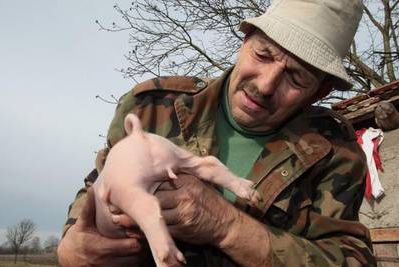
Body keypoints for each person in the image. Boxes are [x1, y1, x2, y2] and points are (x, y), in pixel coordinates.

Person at [57, 0, 376, 266]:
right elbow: (98, 182)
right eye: (262, 55)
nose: (265, 86)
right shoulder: (151, 105)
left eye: (295, 78)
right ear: (246, 38)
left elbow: (353, 259)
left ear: (320, 91)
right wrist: (72, 244)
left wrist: (228, 228)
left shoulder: (336, 155)